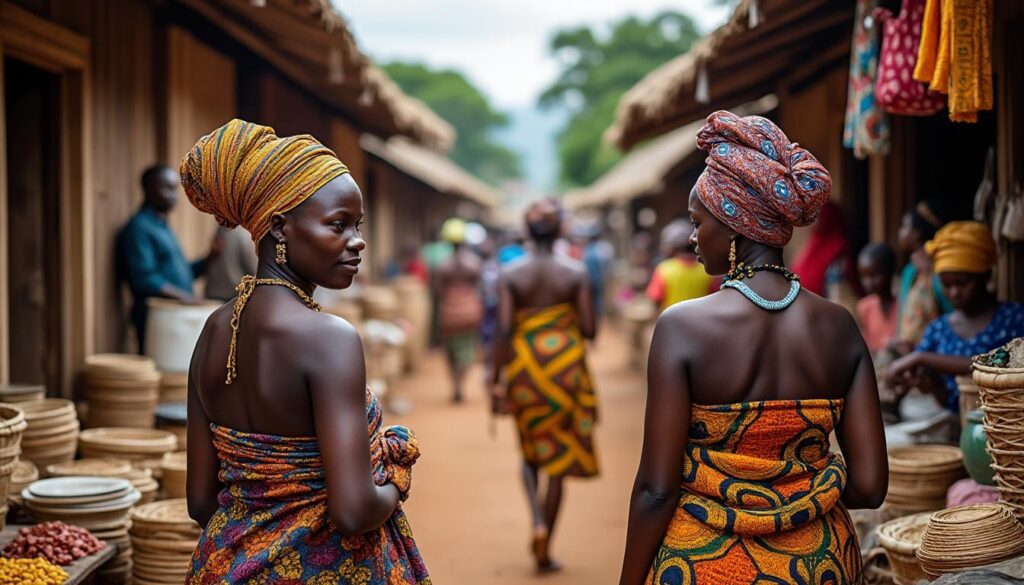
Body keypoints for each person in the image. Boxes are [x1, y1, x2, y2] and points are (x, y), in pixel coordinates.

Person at [620, 111, 886, 585]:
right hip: (820, 564)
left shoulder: (682, 328)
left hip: (705, 564)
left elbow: (657, 492)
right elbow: (868, 486)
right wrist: (796, 488)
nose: (693, 238)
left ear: (736, 226)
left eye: (698, 223)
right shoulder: (839, 327)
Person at [180, 119, 428, 584]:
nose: (357, 241)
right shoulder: (329, 338)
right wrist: (397, 474)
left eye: (357, 225)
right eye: (338, 225)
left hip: (222, 569)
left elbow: (200, 502)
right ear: (279, 227)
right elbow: (354, 511)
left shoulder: (213, 331)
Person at [491, 199, 599, 573]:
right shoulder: (576, 272)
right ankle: (547, 542)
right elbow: (589, 329)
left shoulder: (510, 274)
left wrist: (494, 381)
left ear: (525, 229)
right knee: (558, 459)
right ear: (559, 231)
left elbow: (503, 331)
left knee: (529, 451)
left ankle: (535, 519)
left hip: (525, 368)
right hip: (565, 368)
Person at [889, 221, 1024, 413]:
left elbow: (1002, 366)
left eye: (962, 283)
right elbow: (945, 398)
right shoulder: (938, 329)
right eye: (946, 284)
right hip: (955, 427)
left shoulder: (1014, 319)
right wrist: (930, 384)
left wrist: (922, 357)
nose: (953, 293)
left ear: (986, 276)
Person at [116, 165, 213, 352]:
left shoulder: (163, 227)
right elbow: (143, 279)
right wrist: (185, 297)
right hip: (157, 317)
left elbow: (181, 274)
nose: (174, 195)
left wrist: (210, 258)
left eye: (175, 189)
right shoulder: (139, 228)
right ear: (148, 189)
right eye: (167, 188)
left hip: (176, 317)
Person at [434, 217, 484, 403]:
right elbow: (481, 290)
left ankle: (455, 384)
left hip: (449, 312)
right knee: (468, 350)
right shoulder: (475, 263)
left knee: (451, 351)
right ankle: (461, 381)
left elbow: (437, 292)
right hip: (470, 311)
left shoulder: (443, 266)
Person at [894, 200, 952, 351]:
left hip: (939, 349)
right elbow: (902, 313)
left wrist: (930, 272)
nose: (900, 232)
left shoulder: (940, 266)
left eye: (904, 226)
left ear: (916, 234)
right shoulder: (909, 270)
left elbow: (950, 305)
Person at [645, 218, 713, 312]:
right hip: (702, 323)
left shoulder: (664, 269)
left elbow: (656, 301)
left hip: (672, 323)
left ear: (673, 247)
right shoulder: (707, 270)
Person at [791, 200, 853, 298]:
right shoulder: (812, 245)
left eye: (816, 216)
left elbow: (838, 294)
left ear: (828, 217)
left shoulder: (837, 250)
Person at [856, 243, 899, 353]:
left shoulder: (904, 304)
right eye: (863, 276)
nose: (868, 282)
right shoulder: (864, 307)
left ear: (889, 271)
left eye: (874, 275)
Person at [205, 226, 258, 301]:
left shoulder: (223, 230)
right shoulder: (243, 233)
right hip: (230, 295)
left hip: (221, 294)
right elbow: (254, 271)